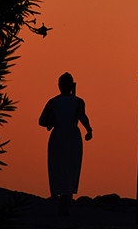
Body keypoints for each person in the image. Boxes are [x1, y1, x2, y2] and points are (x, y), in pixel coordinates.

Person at [39, 72, 93, 215]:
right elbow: (82, 117)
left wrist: (88, 129)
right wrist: (89, 130)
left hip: (61, 137)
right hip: (69, 137)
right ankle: (65, 201)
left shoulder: (54, 102)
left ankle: (64, 200)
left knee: (65, 168)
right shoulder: (76, 101)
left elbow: (42, 121)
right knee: (67, 167)